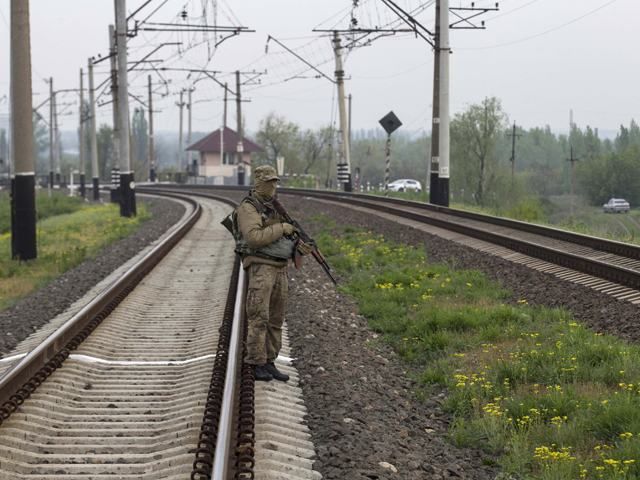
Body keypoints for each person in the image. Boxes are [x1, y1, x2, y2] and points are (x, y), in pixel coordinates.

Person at [235, 165, 313, 381]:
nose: (273, 186)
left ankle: (269, 361)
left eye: (275, 182)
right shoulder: (248, 208)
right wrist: (282, 228)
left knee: (276, 319)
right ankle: (256, 362)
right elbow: (254, 238)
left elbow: (286, 238)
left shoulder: (275, 207)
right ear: (258, 182)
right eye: (269, 182)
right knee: (259, 316)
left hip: (280, 268)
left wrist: (299, 247)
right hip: (261, 267)